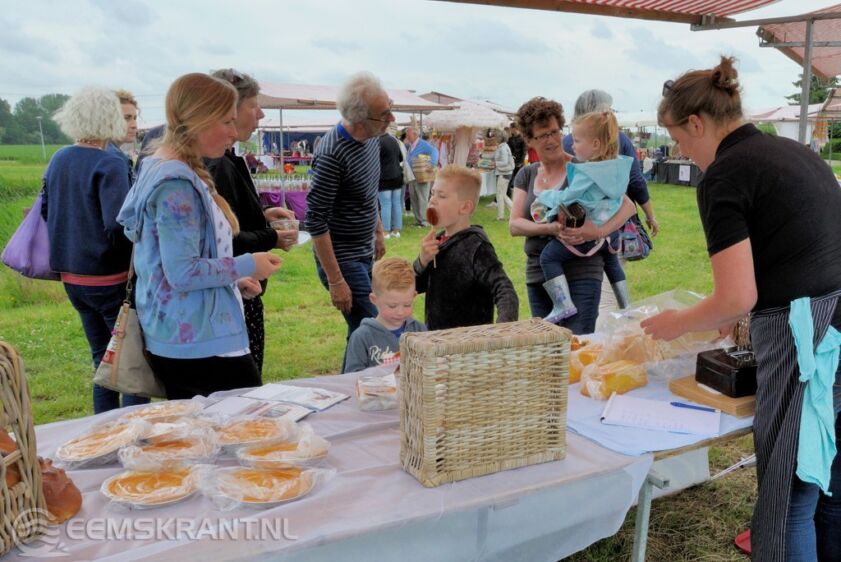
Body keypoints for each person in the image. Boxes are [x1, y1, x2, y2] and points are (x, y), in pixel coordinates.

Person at [640, 56, 841, 562]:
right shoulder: (796, 153)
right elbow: (799, 248)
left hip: (809, 340)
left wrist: (674, 325)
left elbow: (737, 297)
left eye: (679, 140)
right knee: (833, 485)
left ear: (696, 123)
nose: (681, 152)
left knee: (788, 500)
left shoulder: (725, 176)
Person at [118, 73, 282, 400]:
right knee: (244, 427)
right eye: (227, 122)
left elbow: (170, 260)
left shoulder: (159, 166)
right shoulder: (176, 183)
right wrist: (247, 265)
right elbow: (182, 272)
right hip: (196, 340)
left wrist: (230, 280)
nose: (235, 133)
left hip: (184, 333)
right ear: (199, 120)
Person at [42, 87, 149, 414]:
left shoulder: (60, 157)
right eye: (126, 117)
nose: (131, 123)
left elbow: (46, 210)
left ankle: (102, 435)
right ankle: (132, 436)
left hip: (73, 277)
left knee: (102, 360)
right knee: (129, 366)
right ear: (109, 118)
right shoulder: (110, 161)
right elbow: (118, 225)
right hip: (109, 278)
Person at [509, 97, 635, 335]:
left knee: (577, 346)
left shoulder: (583, 167)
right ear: (529, 140)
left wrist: (598, 231)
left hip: (582, 272)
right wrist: (552, 229)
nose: (552, 140)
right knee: (547, 348)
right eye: (543, 135)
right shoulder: (526, 175)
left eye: (555, 131)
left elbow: (627, 206)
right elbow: (515, 224)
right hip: (539, 275)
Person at [207, 68, 298, 374]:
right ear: (229, 109)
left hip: (239, 291)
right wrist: (272, 237)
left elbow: (231, 220)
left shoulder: (228, 158)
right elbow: (224, 240)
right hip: (234, 292)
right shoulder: (217, 163)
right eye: (253, 106)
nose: (260, 114)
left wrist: (263, 217)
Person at [304, 71, 390, 370]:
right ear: (360, 118)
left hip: (363, 251)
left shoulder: (373, 140)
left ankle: (349, 391)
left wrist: (377, 231)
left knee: (360, 330)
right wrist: (336, 280)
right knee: (374, 327)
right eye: (383, 114)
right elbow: (315, 222)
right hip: (341, 259)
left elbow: (369, 191)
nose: (390, 119)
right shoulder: (331, 155)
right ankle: (353, 389)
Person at [563, 89, 659, 313]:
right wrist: (650, 215)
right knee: (605, 295)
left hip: (571, 228)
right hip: (608, 225)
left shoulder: (566, 141)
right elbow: (636, 181)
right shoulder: (616, 138)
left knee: (580, 292)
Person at [415, 165, 518, 331]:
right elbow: (414, 286)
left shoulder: (477, 246)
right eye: (432, 193)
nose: (432, 200)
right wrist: (422, 261)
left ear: (465, 207)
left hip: (469, 345)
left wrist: (503, 328)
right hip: (437, 341)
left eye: (441, 196)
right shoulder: (438, 241)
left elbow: (504, 289)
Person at [344, 257, 426, 373]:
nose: (400, 312)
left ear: (414, 296)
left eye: (407, 305)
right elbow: (351, 376)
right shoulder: (362, 337)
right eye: (392, 306)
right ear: (374, 299)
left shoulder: (419, 330)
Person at [405, 127, 439, 227]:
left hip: (422, 175)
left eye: (408, 134)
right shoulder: (411, 145)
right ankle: (418, 220)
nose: (407, 136)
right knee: (414, 198)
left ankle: (424, 221)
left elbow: (435, 151)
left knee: (422, 198)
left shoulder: (423, 144)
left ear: (415, 134)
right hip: (412, 176)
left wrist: (432, 164)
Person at [107, 89, 139, 185]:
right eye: (126, 118)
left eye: (134, 118)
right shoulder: (115, 159)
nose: (134, 125)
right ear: (107, 120)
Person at [378, 131, 404, 239]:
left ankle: (386, 231)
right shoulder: (394, 140)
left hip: (384, 177)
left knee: (386, 205)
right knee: (396, 203)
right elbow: (401, 158)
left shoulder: (378, 141)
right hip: (397, 176)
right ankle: (396, 230)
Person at [493, 132, 514, 220]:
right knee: (503, 195)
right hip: (505, 173)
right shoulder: (502, 147)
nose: (495, 138)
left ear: (501, 138)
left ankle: (501, 216)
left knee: (500, 195)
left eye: (497, 136)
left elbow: (505, 162)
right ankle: (514, 213)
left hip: (504, 173)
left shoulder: (503, 148)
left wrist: (495, 164)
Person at [506, 122, 527, 197]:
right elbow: (509, 150)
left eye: (511, 129)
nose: (510, 130)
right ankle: (509, 195)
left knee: (518, 180)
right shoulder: (510, 139)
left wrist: (521, 162)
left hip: (519, 163)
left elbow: (524, 151)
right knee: (510, 179)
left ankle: (519, 196)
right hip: (512, 162)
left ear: (515, 128)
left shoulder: (522, 139)